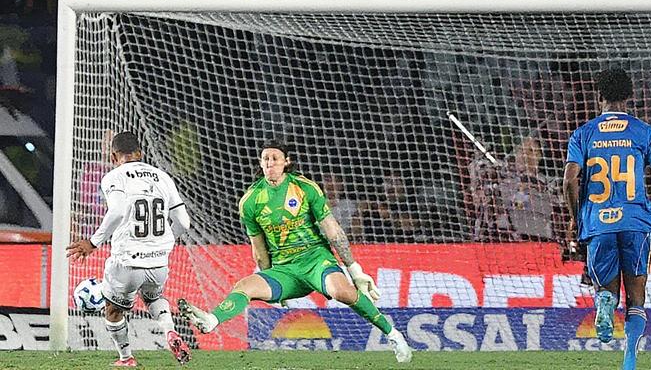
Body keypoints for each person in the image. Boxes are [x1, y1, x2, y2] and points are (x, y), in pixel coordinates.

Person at [178, 140, 412, 363]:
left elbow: (333, 231)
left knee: (342, 292)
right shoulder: (249, 201)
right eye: (265, 159)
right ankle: (212, 319)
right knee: (244, 286)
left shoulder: (304, 188)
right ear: (260, 163)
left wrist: (354, 269)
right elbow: (259, 250)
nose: (270, 163)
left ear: (286, 162)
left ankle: (392, 334)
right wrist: (271, 282)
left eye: (275, 158)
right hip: (284, 270)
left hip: (315, 260)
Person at [562, 69, 651, 370]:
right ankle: (629, 361)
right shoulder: (643, 131)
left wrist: (577, 219)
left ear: (599, 96)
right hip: (635, 221)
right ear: (628, 96)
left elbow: (569, 181)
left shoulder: (583, 134)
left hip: (598, 222)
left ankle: (604, 301)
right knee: (636, 297)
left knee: (608, 290)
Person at [66, 132, 192, 367]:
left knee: (113, 311)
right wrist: (163, 241)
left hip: (127, 262)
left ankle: (126, 358)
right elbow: (184, 222)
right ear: (140, 153)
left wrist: (93, 242)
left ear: (114, 156)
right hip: (158, 262)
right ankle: (170, 332)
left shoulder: (114, 176)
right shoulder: (162, 177)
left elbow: (116, 211)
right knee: (153, 298)